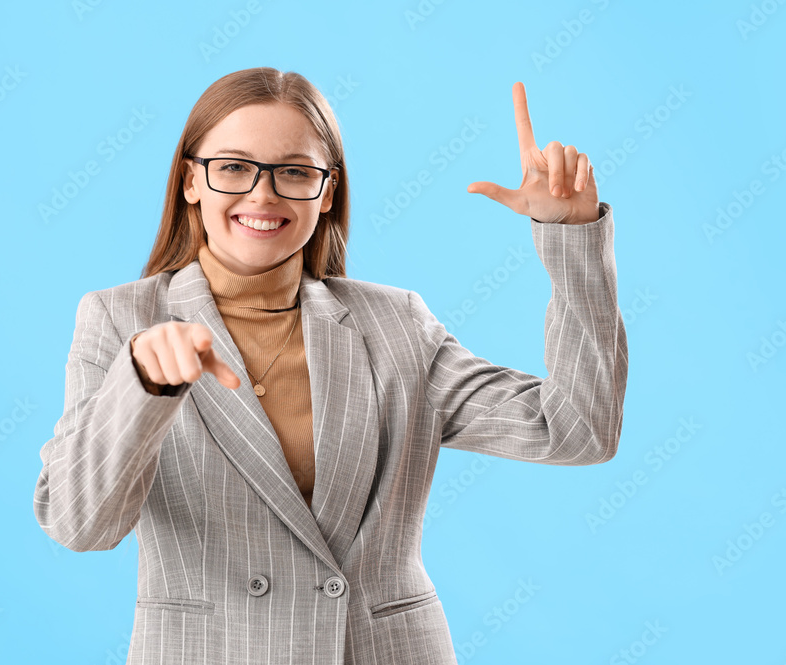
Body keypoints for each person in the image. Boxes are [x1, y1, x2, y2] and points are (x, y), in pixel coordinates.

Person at [33, 66, 627, 665]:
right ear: (191, 181)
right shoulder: (120, 319)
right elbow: (80, 525)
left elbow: (576, 431)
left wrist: (571, 238)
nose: (262, 195)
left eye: (294, 172)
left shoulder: (395, 323)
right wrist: (142, 387)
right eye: (234, 167)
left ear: (327, 191)